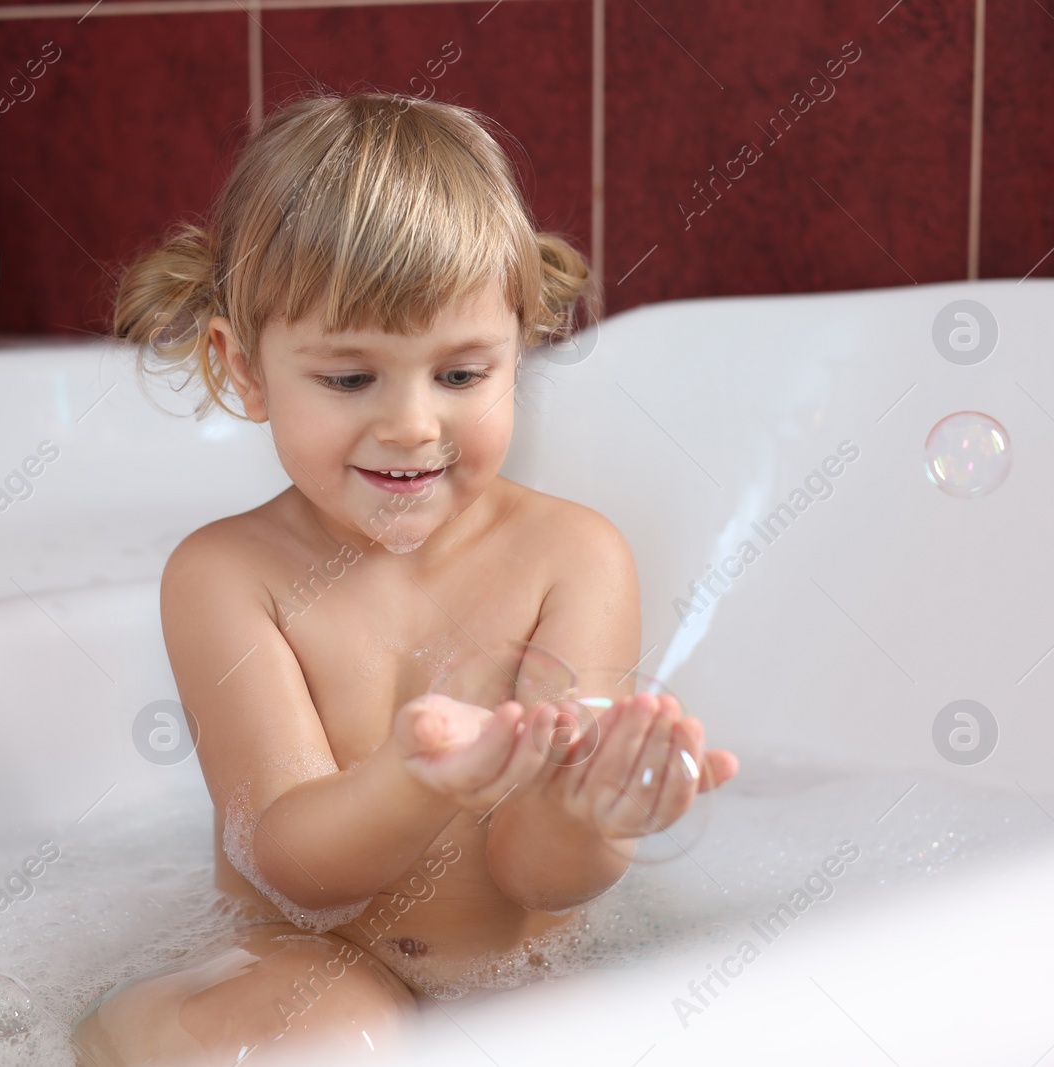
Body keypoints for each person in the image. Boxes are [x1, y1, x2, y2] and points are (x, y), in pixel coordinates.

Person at [73, 90, 738, 1066]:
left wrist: (591, 814)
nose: (413, 426)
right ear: (243, 368)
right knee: (332, 1027)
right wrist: (417, 781)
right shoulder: (227, 575)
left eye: (462, 374)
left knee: (608, 1029)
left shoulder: (574, 556)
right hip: (303, 962)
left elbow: (537, 876)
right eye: (350, 379)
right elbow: (293, 864)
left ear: (522, 345)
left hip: (512, 975)